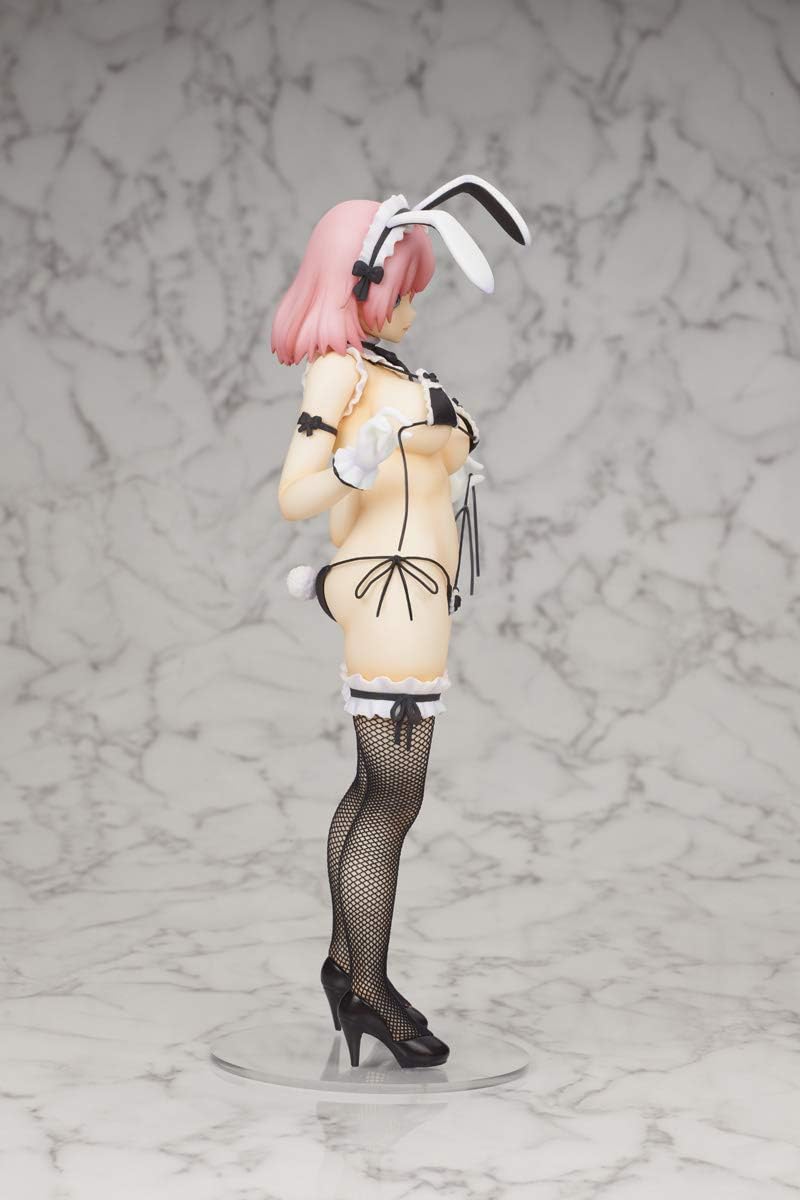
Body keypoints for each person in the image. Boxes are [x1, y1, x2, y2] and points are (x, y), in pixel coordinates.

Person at [272, 176, 529, 1068]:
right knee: (394, 792)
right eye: (404, 287)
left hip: (416, 587)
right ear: (362, 281)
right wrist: (354, 465)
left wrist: (449, 469)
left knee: (376, 789)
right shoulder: (341, 369)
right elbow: (296, 495)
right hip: (388, 588)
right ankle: (369, 990)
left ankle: (349, 971)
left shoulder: (398, 374)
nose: (413, 305)